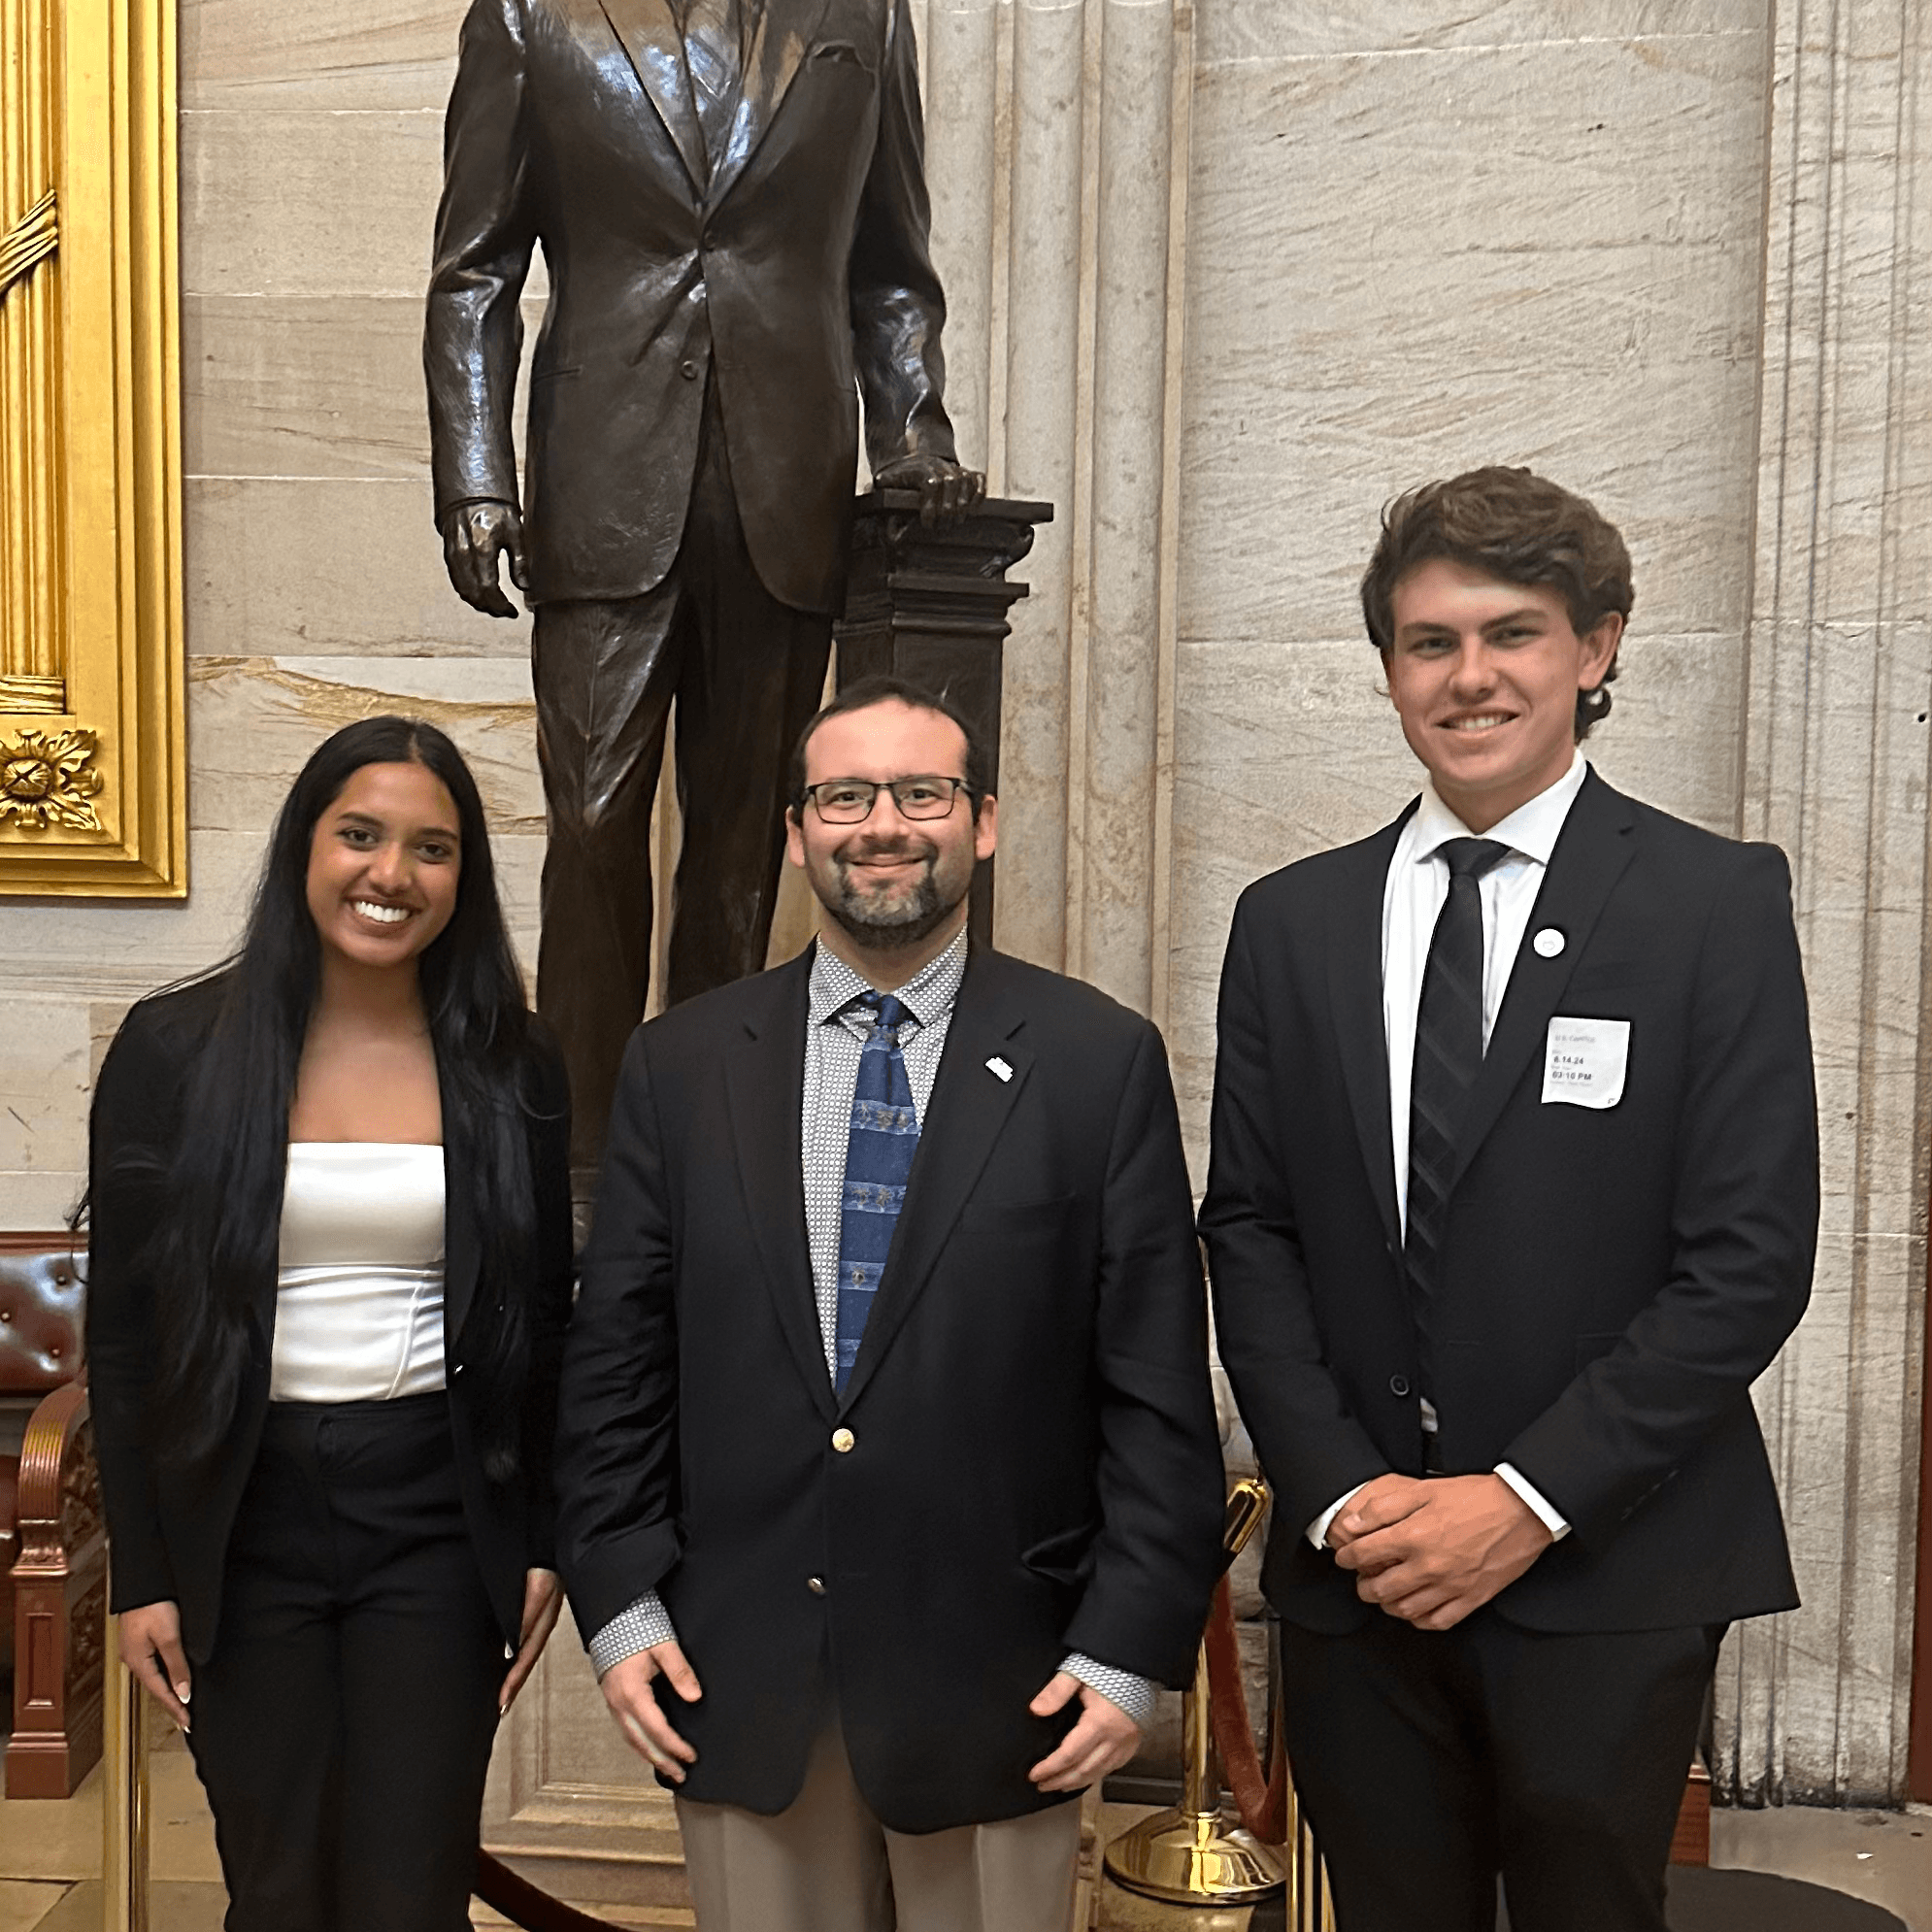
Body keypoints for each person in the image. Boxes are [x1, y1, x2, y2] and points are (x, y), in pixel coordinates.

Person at [1199, 467, 1819, 1932]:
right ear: (1388, 668)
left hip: (1607, 1565)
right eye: (1430, 641)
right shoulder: (1290, 921)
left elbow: (1746, 1259)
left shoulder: (1710, 903)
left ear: (1594, 648)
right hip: (1360, 1572)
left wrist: (1521, 1502)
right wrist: (1342, 1493)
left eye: (1512, 633)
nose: (1468, 675)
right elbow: (1251, 1228)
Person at [553, 676, 1224, 1932]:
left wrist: (1127, 1650)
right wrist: (620, 1609)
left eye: (921, 792)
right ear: (796, 830)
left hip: (1007, 1682)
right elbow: (615, 1369)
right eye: (844, 796)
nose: (881, 825)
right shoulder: (680, 1063)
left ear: (981, 821)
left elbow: (1152, 1390)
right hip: (739, 1670)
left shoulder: (1096, 1060)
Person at [426, 0, 983, 1177]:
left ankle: (702, 1166)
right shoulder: (531, 15)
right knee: (591, 826)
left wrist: (912, 436)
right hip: (602, 485)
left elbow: (890, 267)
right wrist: (475, 473)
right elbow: (475, 269)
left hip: (785, 488)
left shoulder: (863, 18)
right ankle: (576, 1168)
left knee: (738, 854)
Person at [85, 716, 574, 1932]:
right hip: (242, 1511)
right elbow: (126, 1338)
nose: (390, 874)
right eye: (360, 834)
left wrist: (543, 1537)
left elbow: (544, 1323)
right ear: (305, 843)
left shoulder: (513, 1062)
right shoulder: (175, 1048)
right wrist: (140, 1574)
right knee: (279, 1887)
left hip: (434, 1514)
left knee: (411, 1891)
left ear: (464, 875)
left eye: (431, 848)